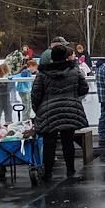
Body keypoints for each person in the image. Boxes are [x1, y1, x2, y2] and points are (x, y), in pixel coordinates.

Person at [31, 44, 89, 182]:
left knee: (49, 143)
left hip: (48, 112)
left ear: (52, 57)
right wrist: (73, 97)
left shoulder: (42, 74)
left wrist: (38, 110)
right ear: (66, 56)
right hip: (70, 109)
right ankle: (70, 171)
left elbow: (35, 95)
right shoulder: (74, 71)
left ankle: (48, 173)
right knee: (68, 142)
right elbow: (84, 88)